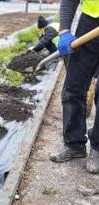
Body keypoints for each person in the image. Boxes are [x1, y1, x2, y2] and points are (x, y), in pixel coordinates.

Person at [49, 0, 99, 173]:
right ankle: (74, 144)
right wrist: (64, 31)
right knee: (73, 87)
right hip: (90, 21)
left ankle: (97, 149)